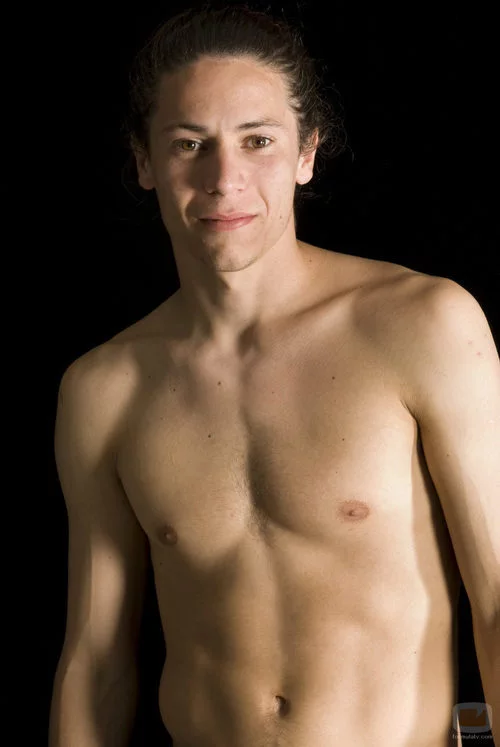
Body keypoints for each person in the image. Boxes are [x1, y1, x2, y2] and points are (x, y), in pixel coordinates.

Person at [49, 4, 499, 746]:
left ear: (306, 154)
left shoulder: (423, 324)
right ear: (144, 162)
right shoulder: (103, 389)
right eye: (189, 144)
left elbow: (496, 603)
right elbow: (95, 662)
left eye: (258, 141)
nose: (224, 179)